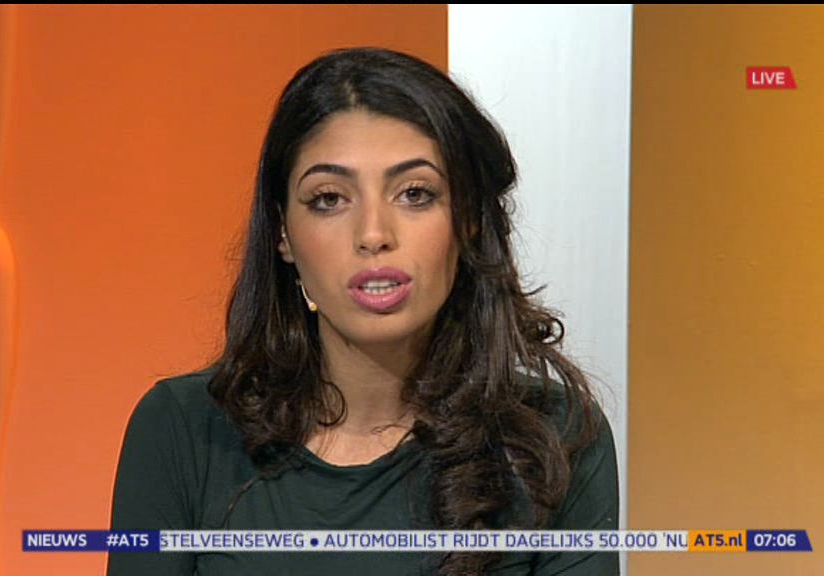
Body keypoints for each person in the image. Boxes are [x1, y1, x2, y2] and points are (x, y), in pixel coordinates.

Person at [107, 47, 619, 576]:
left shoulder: (554, 438)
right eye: (329, 199)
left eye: (415, 193)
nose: (373, 234)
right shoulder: (183, 429)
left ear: (467, 221)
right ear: (283, 233)